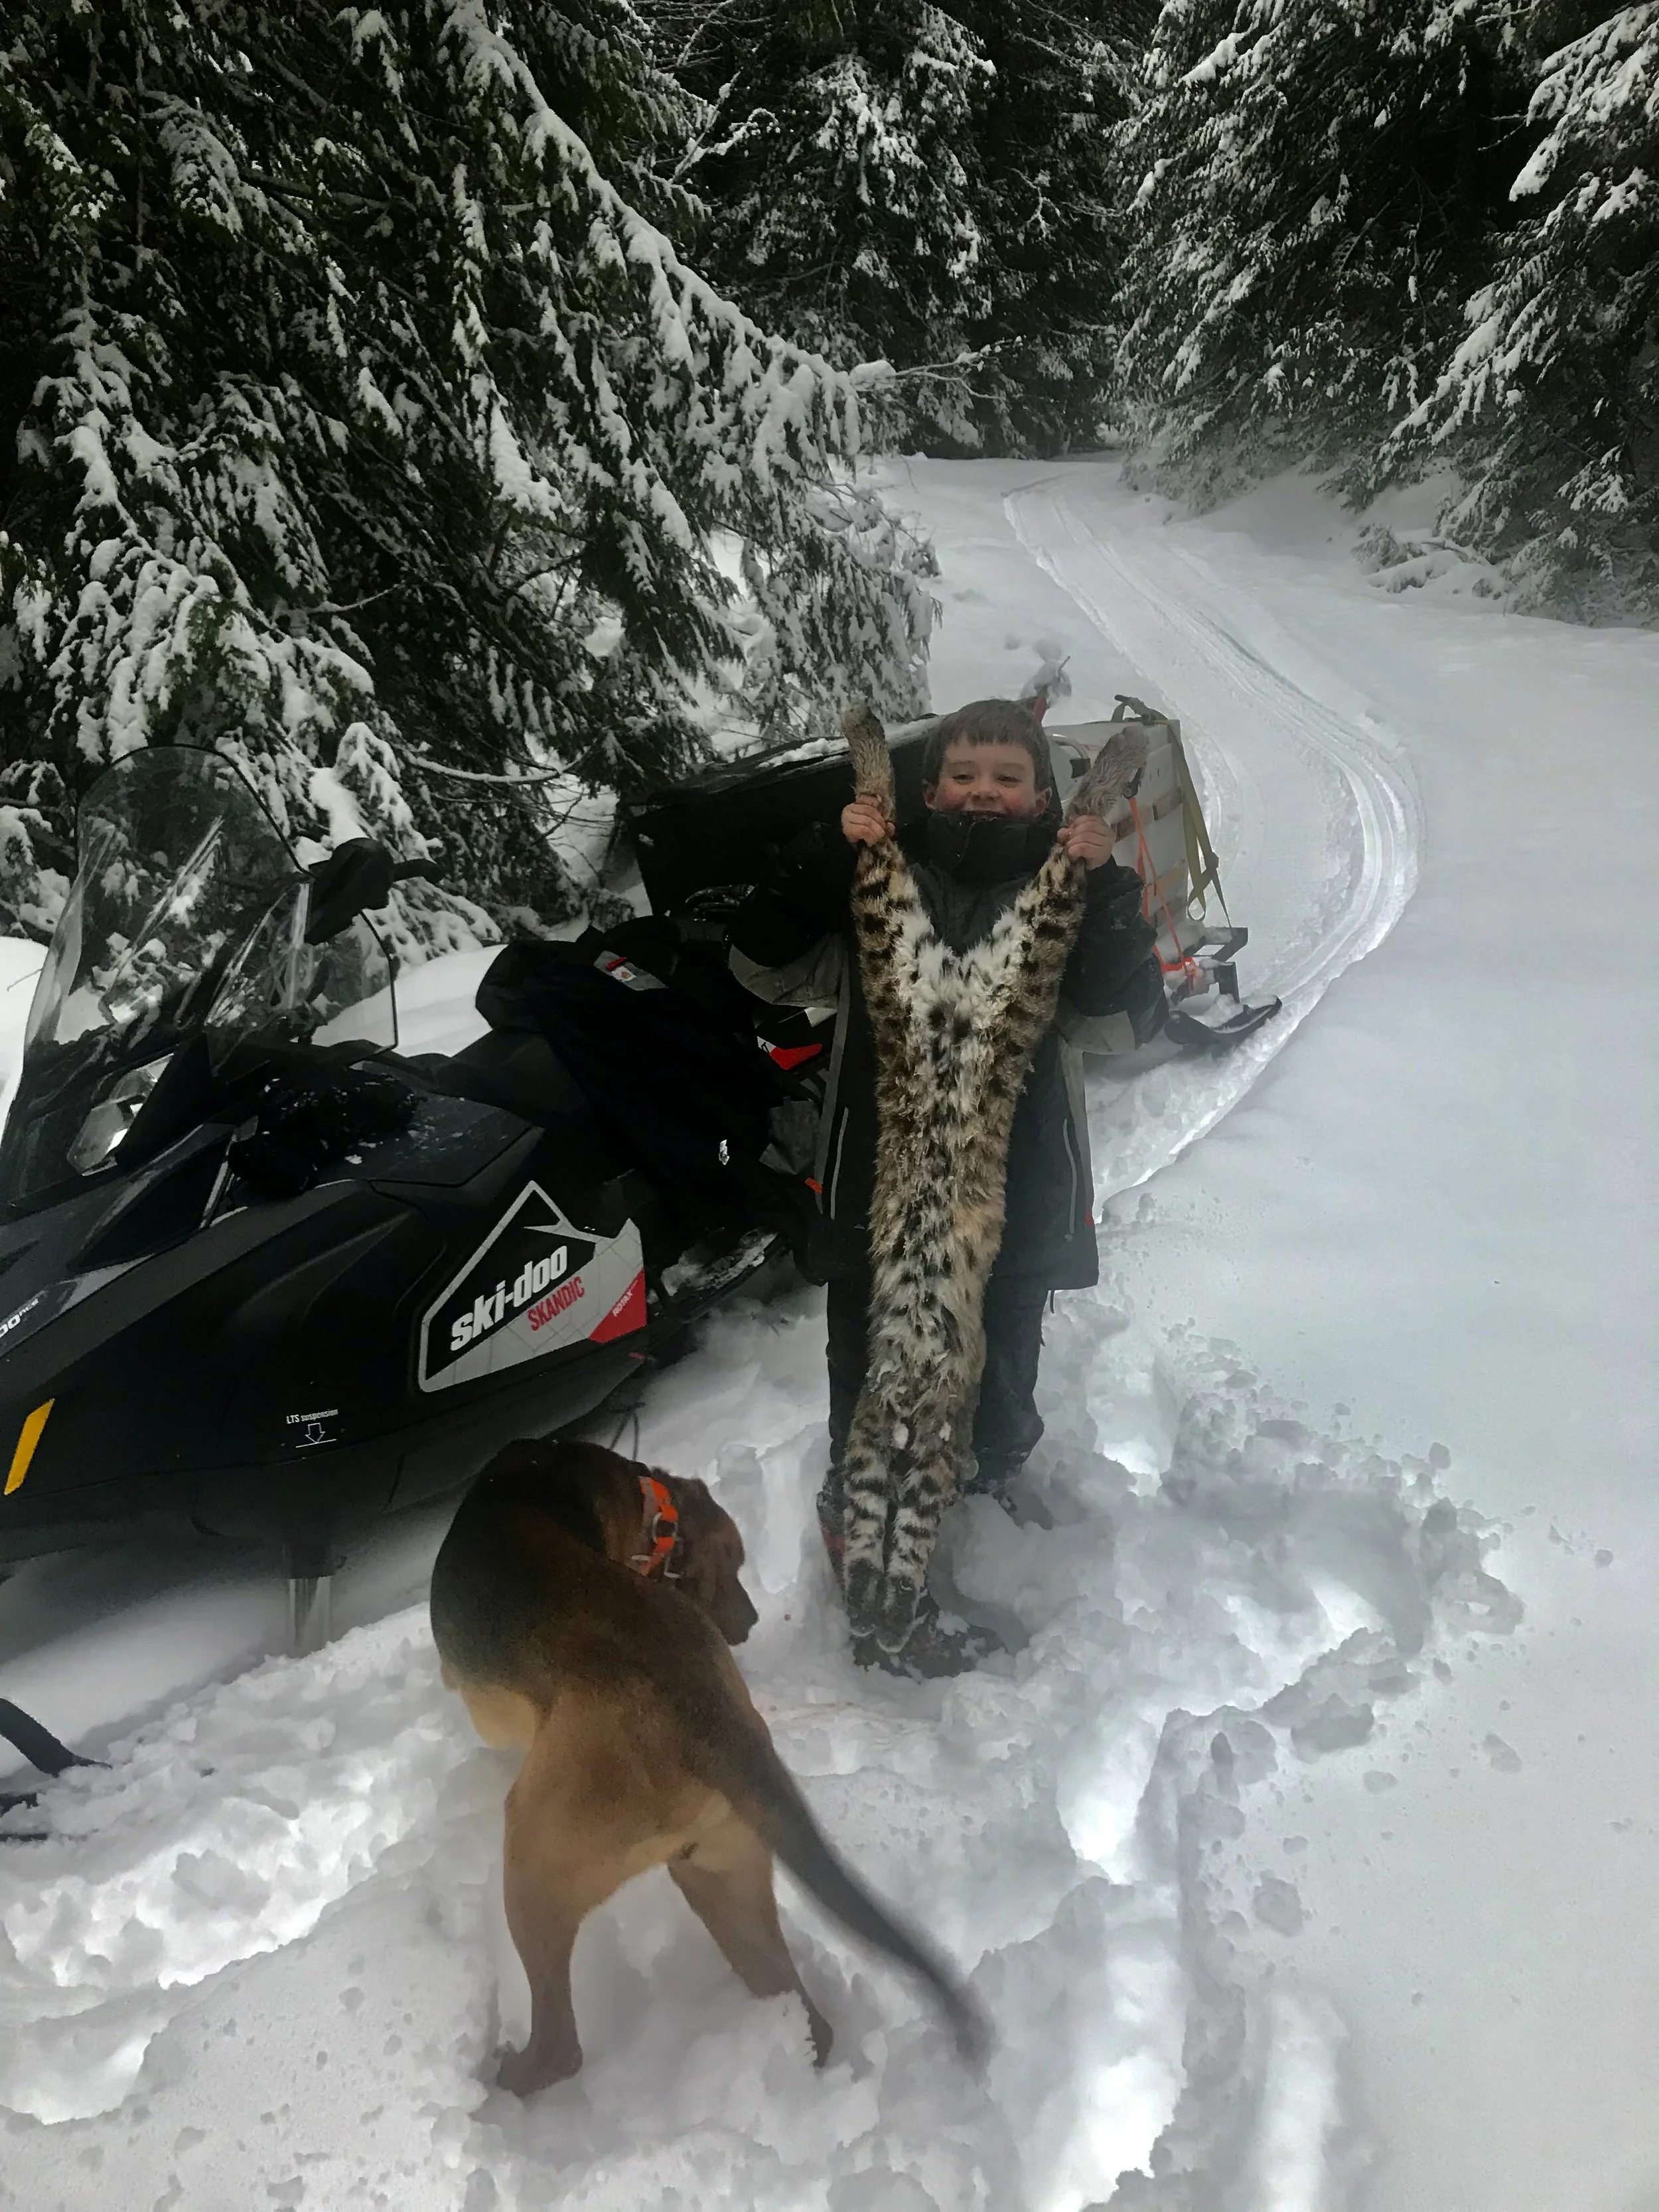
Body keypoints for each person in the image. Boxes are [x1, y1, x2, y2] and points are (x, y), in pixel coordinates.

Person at [727, 699, 1167, 1666]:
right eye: (965, 773)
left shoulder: (1073, 888)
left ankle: (983, 1507)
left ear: (1044, 799)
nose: (984, 790)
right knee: (871, 1382)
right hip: (873, 1206)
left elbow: (1127, 1023)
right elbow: (758, 965)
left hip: (1013, 1210)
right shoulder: (872, 894)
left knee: (999, 1383)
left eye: (1008, 777)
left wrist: (1111, 894)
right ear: (929, 790)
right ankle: (865, 1549)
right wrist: (825, 852)